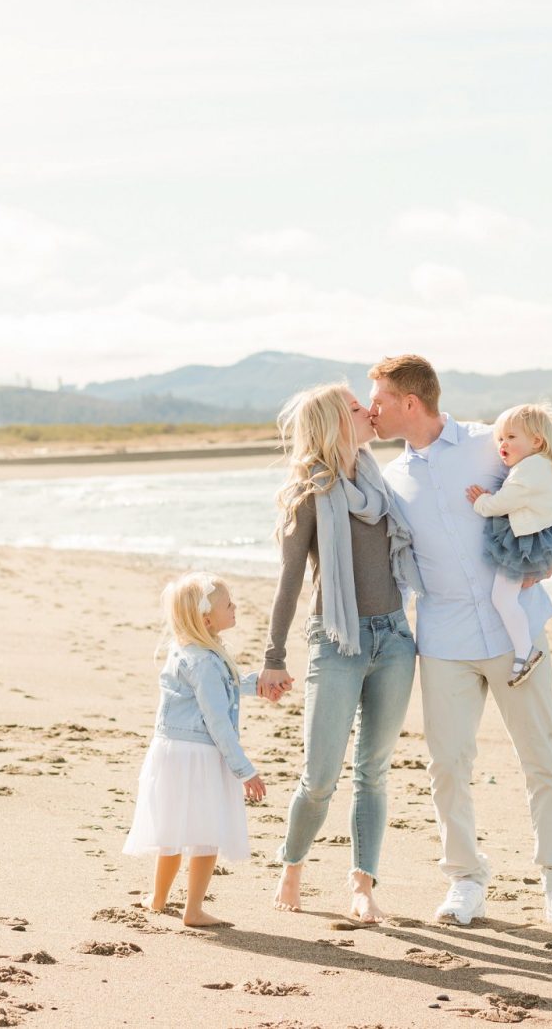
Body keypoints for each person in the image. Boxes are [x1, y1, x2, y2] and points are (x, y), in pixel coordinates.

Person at [370, 354, 552, 935]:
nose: (374, 410)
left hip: (514, 627)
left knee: (541, 759)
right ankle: (465, 879)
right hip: (442, 638)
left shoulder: (487, 443)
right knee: (447, 764)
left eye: (381, 399)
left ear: (410, 403)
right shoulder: (391, 479)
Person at [264, 383, 422, 924]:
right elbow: (289, 580)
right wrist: (273, 656)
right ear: (336, 421)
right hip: (336, 644)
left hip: (395, 640)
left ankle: (362, 885)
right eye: (359, 407)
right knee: (321, 777)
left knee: (373, 771)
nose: (370, 410)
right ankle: (291, 866)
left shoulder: (381, 482)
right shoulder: (311, 490)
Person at [123, 572, 280, 927]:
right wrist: (245, 770)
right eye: (228, 603)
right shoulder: (206, 661)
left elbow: (224, 687)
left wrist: (260, 684)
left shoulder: (189, 652)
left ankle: (159, 899)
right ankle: (193, 910)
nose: (235, 607)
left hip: (172, 753)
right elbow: (217, 720)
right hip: (201, 756)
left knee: (173, 832)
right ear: (207, 619)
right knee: (206, 835)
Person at [465, 403, 552, 687]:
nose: (502, 444)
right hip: (539, 532)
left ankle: (524, 650)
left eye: (511, 437)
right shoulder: (547, 463)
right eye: (500, 439)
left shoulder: (527, 473)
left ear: (537, 441)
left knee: (503, 598)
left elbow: (501, 504)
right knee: (507, 597)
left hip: (526, 540)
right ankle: (523, 648)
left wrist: (481, 501)